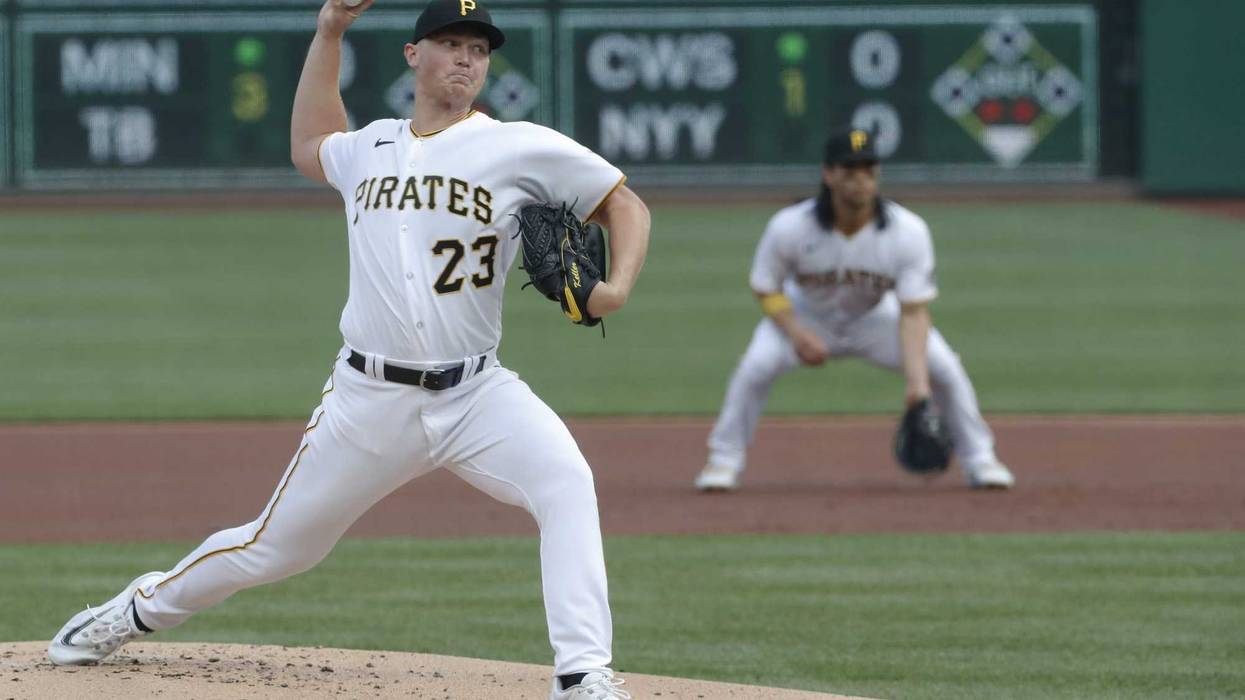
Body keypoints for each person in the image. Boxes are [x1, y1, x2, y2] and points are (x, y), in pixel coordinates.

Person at [46, 2, 649, 698]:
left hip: (477, 394)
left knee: (566, 483)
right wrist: (329, 31)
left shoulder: (519, 146)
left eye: (478, 49)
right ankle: (135, 609)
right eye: (449, 43)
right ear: (412, 55)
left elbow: (625, 205)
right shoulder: (369, 146)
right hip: (368, 401)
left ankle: (582, 676)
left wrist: (613, 291)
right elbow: (309, 144)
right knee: (274, 548)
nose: (464, 58)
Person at [694, 128, 1013, 493]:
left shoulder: (907, 231)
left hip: (876, 318)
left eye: (868, 170)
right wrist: (796, 334)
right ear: (829, 174)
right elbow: (766, 286)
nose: (861, 180)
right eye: (850, 171)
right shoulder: (790, 227)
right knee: (755, 367)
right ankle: (723, 460)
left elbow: (913, 312)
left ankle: (981, 459)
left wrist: (918, 384)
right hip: (805, 315)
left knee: (945, 369)